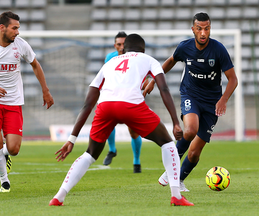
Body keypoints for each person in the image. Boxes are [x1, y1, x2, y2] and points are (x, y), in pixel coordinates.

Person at [49, 34, 194, 206]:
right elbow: (163, 88)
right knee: (167, 143)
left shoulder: (109, 63)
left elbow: (88, 104)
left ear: (123, 49)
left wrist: (71, 139)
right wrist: (175, 122)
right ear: (143, 49)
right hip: (131, 105)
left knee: (90, 153)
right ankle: (176, 196)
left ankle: (59, 196)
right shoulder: (148, 59)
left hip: (105, 107)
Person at [143, 12, 238, 192]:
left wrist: (223, 100)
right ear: (193, 29)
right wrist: (153, 80)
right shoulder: (184, 47)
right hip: (190, 94)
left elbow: (233, 79)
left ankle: (178, 179)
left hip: (212, 102)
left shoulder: (218, 50)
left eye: (207, 28)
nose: (203, 33)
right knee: (191, 129)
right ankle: (171, 167)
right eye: (199, 29)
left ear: (210, 29)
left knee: (194, 153)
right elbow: (171, 61)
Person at [0, 11, 54, 192]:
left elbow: (35, 65)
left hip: (13, 102)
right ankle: (3, 180)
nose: (17, 32)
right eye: (14, 28)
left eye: (18, 28)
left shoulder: (21, 45)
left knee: (13, 148)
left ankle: (5, 155)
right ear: (2, 28)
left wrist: (45, 91)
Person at [102, 31, 143, 173]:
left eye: (124, 44)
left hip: (131, 97)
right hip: (114, 97)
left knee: (133, 132)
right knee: (108, 120)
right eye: (118, 44)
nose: (121, 47)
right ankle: (112, 149)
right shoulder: (110, 58)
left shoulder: (136, 58)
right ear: (115, 45)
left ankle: (136, 162)